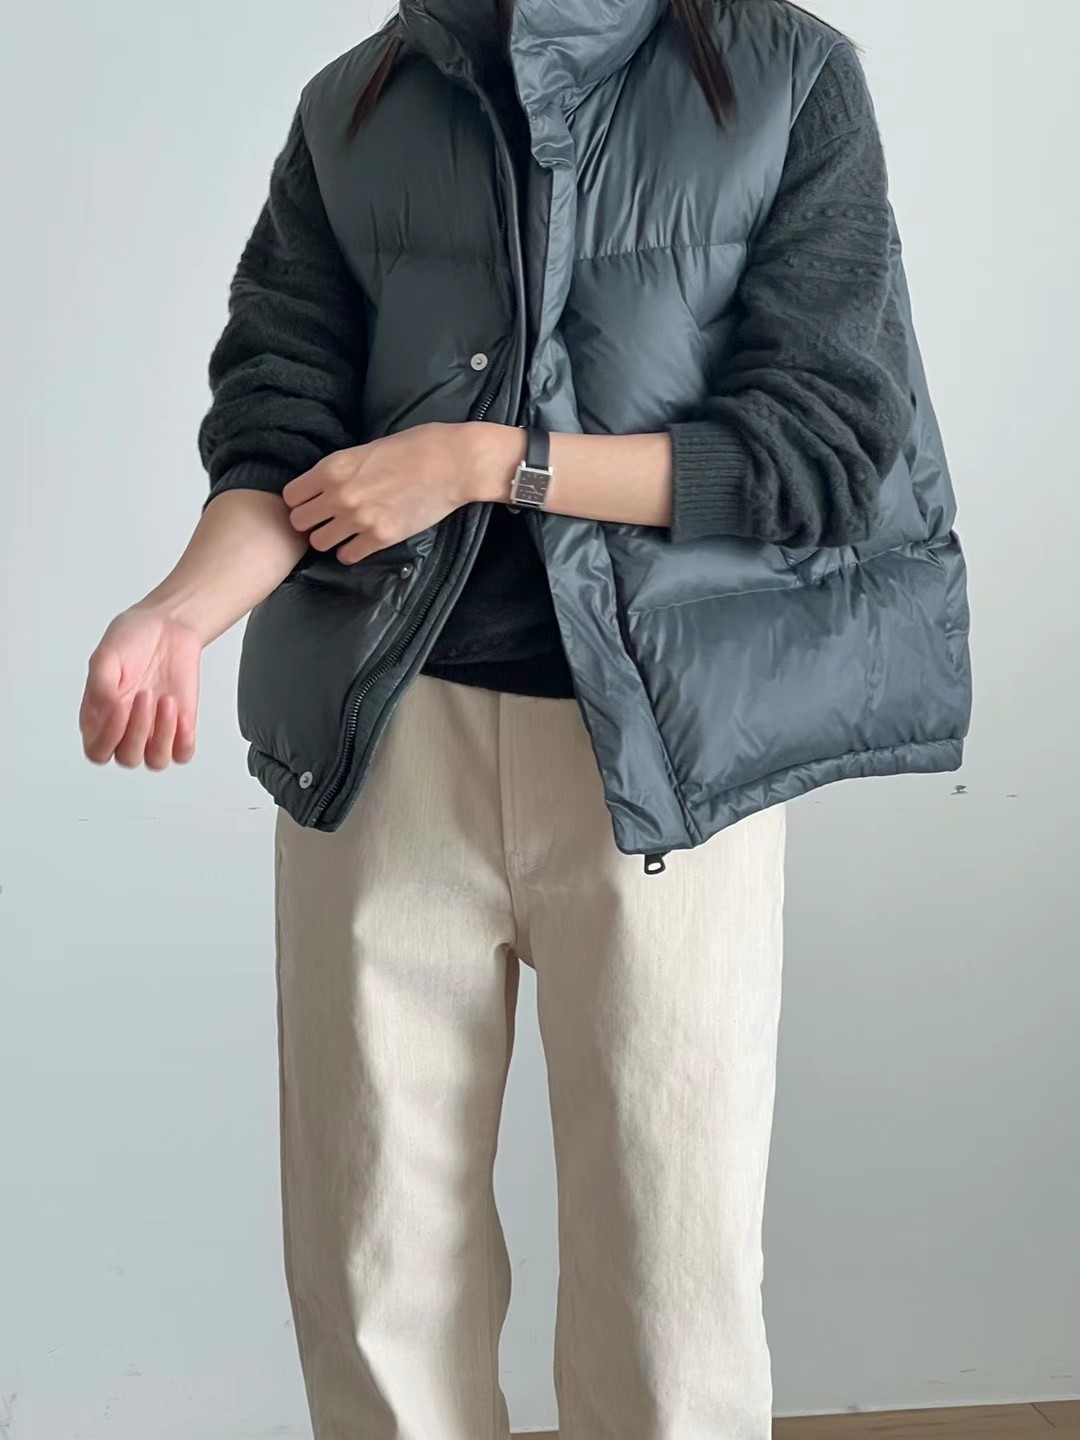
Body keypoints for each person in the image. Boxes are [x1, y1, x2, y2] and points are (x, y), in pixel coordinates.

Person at [79, 1, 971, 1436]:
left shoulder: (787, 79)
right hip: (386, 749)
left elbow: (824, 454)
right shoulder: (354, 104)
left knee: (668, 1306)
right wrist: (176, 614)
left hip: (664, 766)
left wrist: (493, 462)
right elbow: (278, 436)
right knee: (375, 1282)